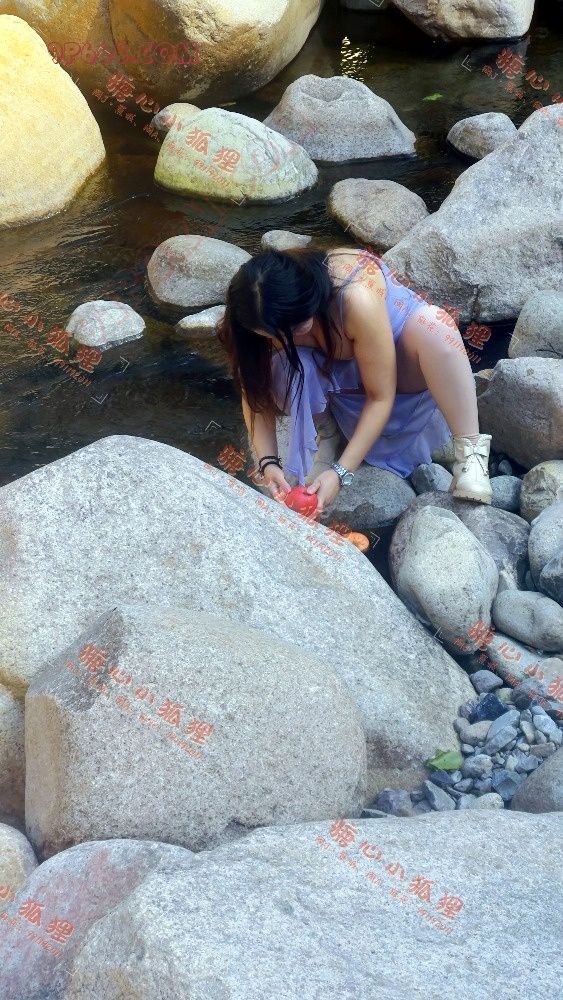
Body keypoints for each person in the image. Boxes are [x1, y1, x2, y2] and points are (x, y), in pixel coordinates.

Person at [217, 246, 492, 512]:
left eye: (297, 326)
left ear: (309, 296)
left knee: (434, 325)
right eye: (273, 334)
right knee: (278, 366)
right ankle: (328, 430)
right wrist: (268, 463)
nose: (288, 337)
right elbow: (255, 392)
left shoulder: (354, 297)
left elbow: (380, 396)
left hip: (398, 371)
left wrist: (340, 472)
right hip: (344, 388)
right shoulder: (255, 319)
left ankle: (470, 454)